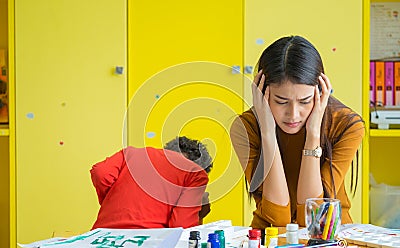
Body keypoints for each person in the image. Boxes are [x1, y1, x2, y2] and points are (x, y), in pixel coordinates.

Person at [230, 35, 364, 229]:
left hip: (330, 237)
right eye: (281, 101)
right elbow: (279, 219)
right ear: (261, 92)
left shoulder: (346, 125)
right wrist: (268, 133)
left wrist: (313, 136)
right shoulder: (245, 128)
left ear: (321, 92)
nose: (293, 114)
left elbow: (313, 219)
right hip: (268, 240)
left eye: (305, 101)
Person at [90, 136, 213, 229]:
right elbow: (180, 228)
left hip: (102, 235)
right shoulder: (195, 172)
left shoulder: (131, 153)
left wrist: (113, 199)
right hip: (149, 242)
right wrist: (197, 214)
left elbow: (100, 173)